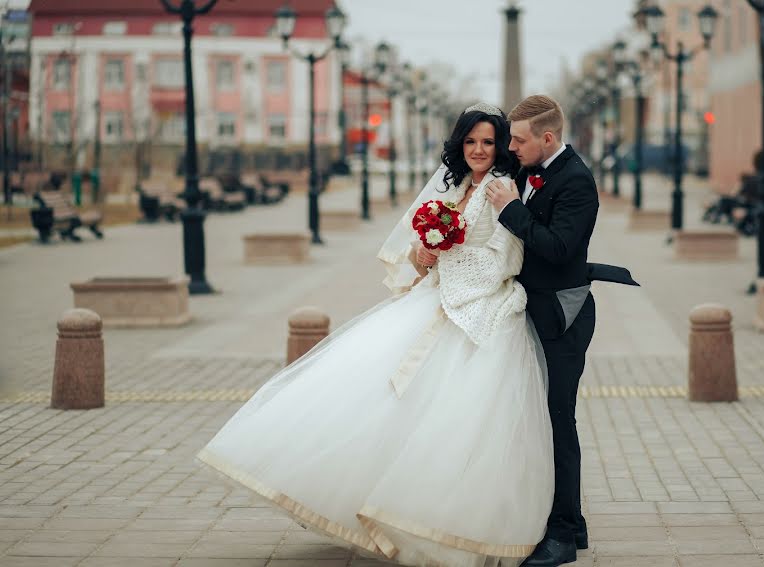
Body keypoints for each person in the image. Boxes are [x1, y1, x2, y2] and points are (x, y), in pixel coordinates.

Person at [197, 103, 555, 567]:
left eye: (488, 142)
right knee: (383, 401)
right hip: (437, 297)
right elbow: (423, 248)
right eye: (471, 141)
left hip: (483, 310)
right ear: (459, 144)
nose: (479, 150)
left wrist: (449, 260)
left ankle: (444, 522)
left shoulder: (504, 189)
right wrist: (426, 254)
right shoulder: (458, 186)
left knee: (456, 420)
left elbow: (507, 258)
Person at [486, 94, 600, 567]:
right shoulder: (527, 171)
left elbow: (556, 248)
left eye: (518, 139)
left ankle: (562, 538)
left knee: (557, 421)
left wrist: (512, 210)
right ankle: (571, 524)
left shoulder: (577, 182)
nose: (510, 147)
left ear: (547, 138)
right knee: (538, 419)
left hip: (562, 314)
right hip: (528, 308)